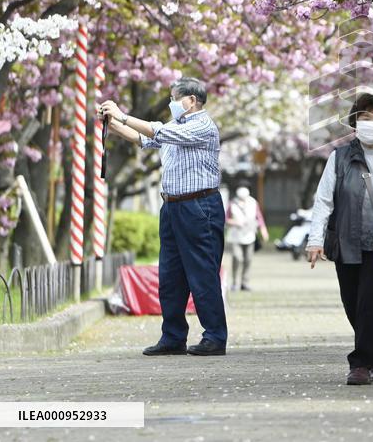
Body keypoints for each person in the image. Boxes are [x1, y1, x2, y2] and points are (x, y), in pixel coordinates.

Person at [100, 77, 227, 356]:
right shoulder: (176, 127)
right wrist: (114, 122)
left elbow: (156, 131)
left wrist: (123, 114)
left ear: (191, 100)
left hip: (199, 206)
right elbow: (145, 138)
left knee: (202, 274)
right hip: (171, 207)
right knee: (170, 275)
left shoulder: (203, 126)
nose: (171, 104)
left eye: (174, 98)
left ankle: (215, 336)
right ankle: (172, 337)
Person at [305, 92, 373, 385]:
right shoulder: (339, 157)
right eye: (365, 117)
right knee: (352, 304)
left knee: (370, 303)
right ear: (355, 122)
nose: (371, 123)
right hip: (345, 241)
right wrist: (314, 241)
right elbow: (324, 201)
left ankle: (360, 364)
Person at [225, 186, 269, 292]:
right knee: (237, 257)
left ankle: (245, 283)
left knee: (248, 259)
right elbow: (226, 219)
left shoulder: (253, 203)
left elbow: (259, 217)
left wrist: (263, 230)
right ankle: (235, 282)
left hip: (250, 235)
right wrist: (235, 222)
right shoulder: (232, 203)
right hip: (236, 236)